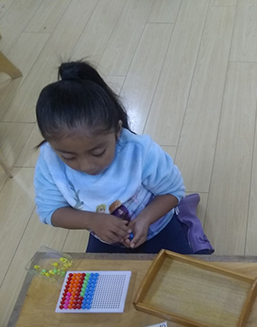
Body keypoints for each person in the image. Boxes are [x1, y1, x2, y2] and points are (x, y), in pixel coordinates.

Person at [34, 61, 213, 255]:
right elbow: (50, 211)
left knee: (185, 272)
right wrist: (91, 221)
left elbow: (173, 191)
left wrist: (145, 218)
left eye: (98, 153)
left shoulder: (138, 151)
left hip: (157, 223)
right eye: (68, 157)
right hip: (105, 236)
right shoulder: (50, 160)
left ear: (117, 132)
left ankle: (188, 222)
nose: (86, 166)